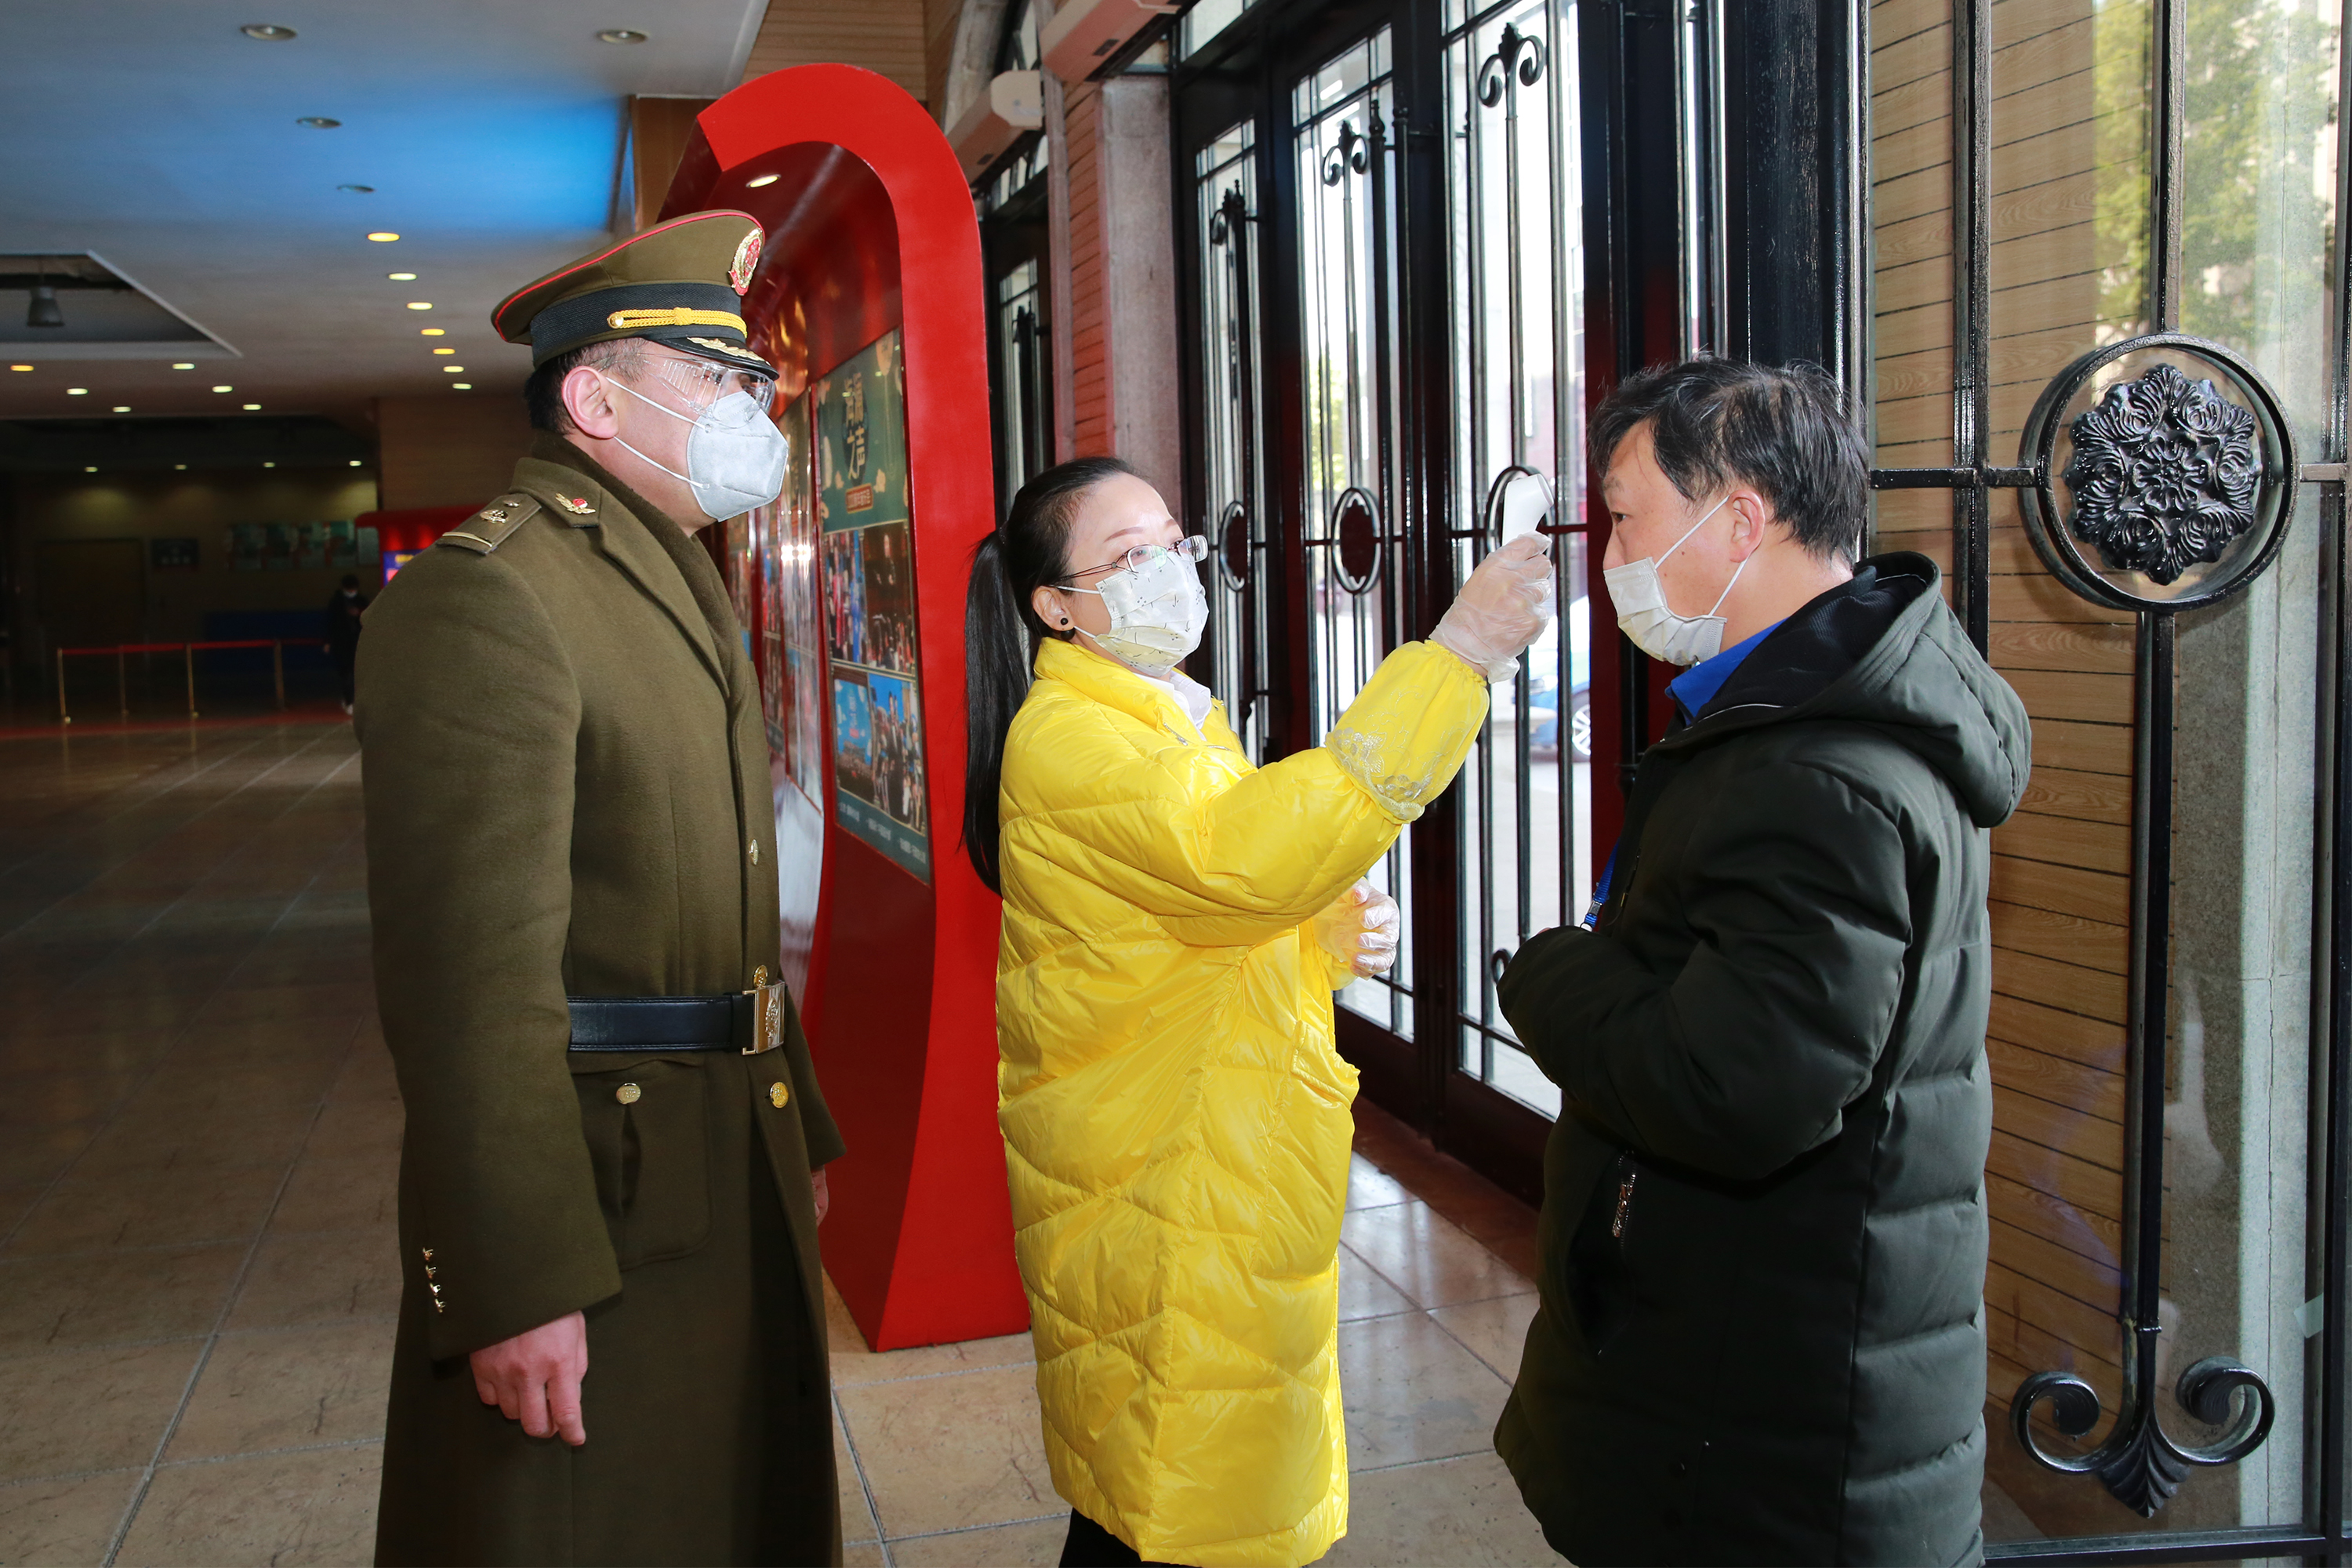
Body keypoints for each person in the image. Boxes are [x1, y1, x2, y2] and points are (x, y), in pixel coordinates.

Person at [358, 210, 847, 1567]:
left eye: (754, 384)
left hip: (716, 1145)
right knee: (599, 1523)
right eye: (722, 384)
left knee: (726, 1500)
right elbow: (468, 986)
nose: (755, 414)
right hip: (601, 1192)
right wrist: (513, 1280)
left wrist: (789, 1118)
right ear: (595, 398)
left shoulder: (667, 571)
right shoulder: (493, 599)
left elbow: (731, 904)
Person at [965, 457, 1553, 1568]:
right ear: (1055, 605)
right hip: (1165, 1162)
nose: (1171, 569)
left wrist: (1315, 938)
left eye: (1172, 541)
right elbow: (1243, 864)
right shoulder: (1080, 738)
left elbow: (1183, 920)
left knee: (1163, 1483)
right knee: (1183, 1489)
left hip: (1198, 1139)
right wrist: (1453, 660)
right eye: (1129, 557)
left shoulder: (1162, 713)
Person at [1491, 358, 2031, 1567]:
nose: (1609, 553)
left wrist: (1549, 976)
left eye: (1625, 515)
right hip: (1766, 1357)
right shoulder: (1800, 715)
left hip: (1767, 1421)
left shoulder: (1814, 775)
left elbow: (1732, 1092)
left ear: (1740, 516)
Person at [324, 572, 368, 714]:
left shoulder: (362, 601)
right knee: (346, 673)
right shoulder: (336, 602)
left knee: (357, 673)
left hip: (357, 642)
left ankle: (353, 700)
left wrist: (359, 614)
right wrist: (328, 641)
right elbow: (330, 623)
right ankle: (349, 700)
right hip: (341, 643)